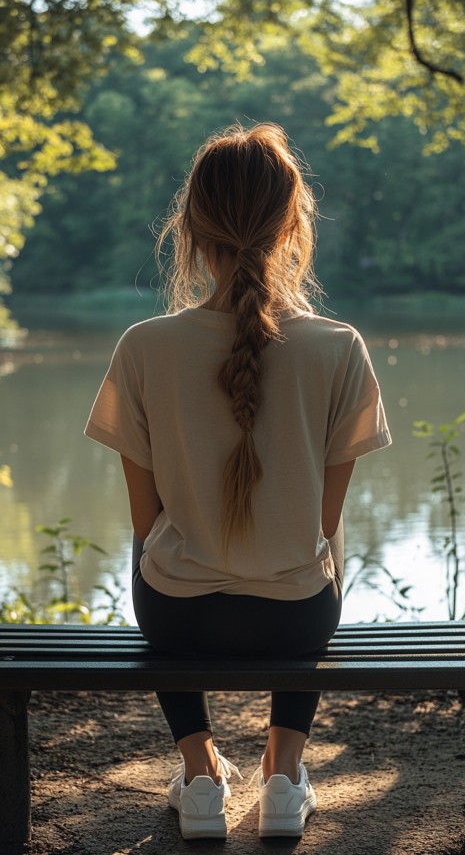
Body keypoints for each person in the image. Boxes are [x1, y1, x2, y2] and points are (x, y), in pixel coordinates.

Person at [85, 122, 391, 840]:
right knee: (325, 540)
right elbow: (321, 525)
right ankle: (283, 776)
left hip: (176, 616)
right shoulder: (340, 347)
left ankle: (199, 775)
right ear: (293, 223)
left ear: (190, 228)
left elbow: (144, 526)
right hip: (297, 616)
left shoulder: (142, 347)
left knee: (156, 550)